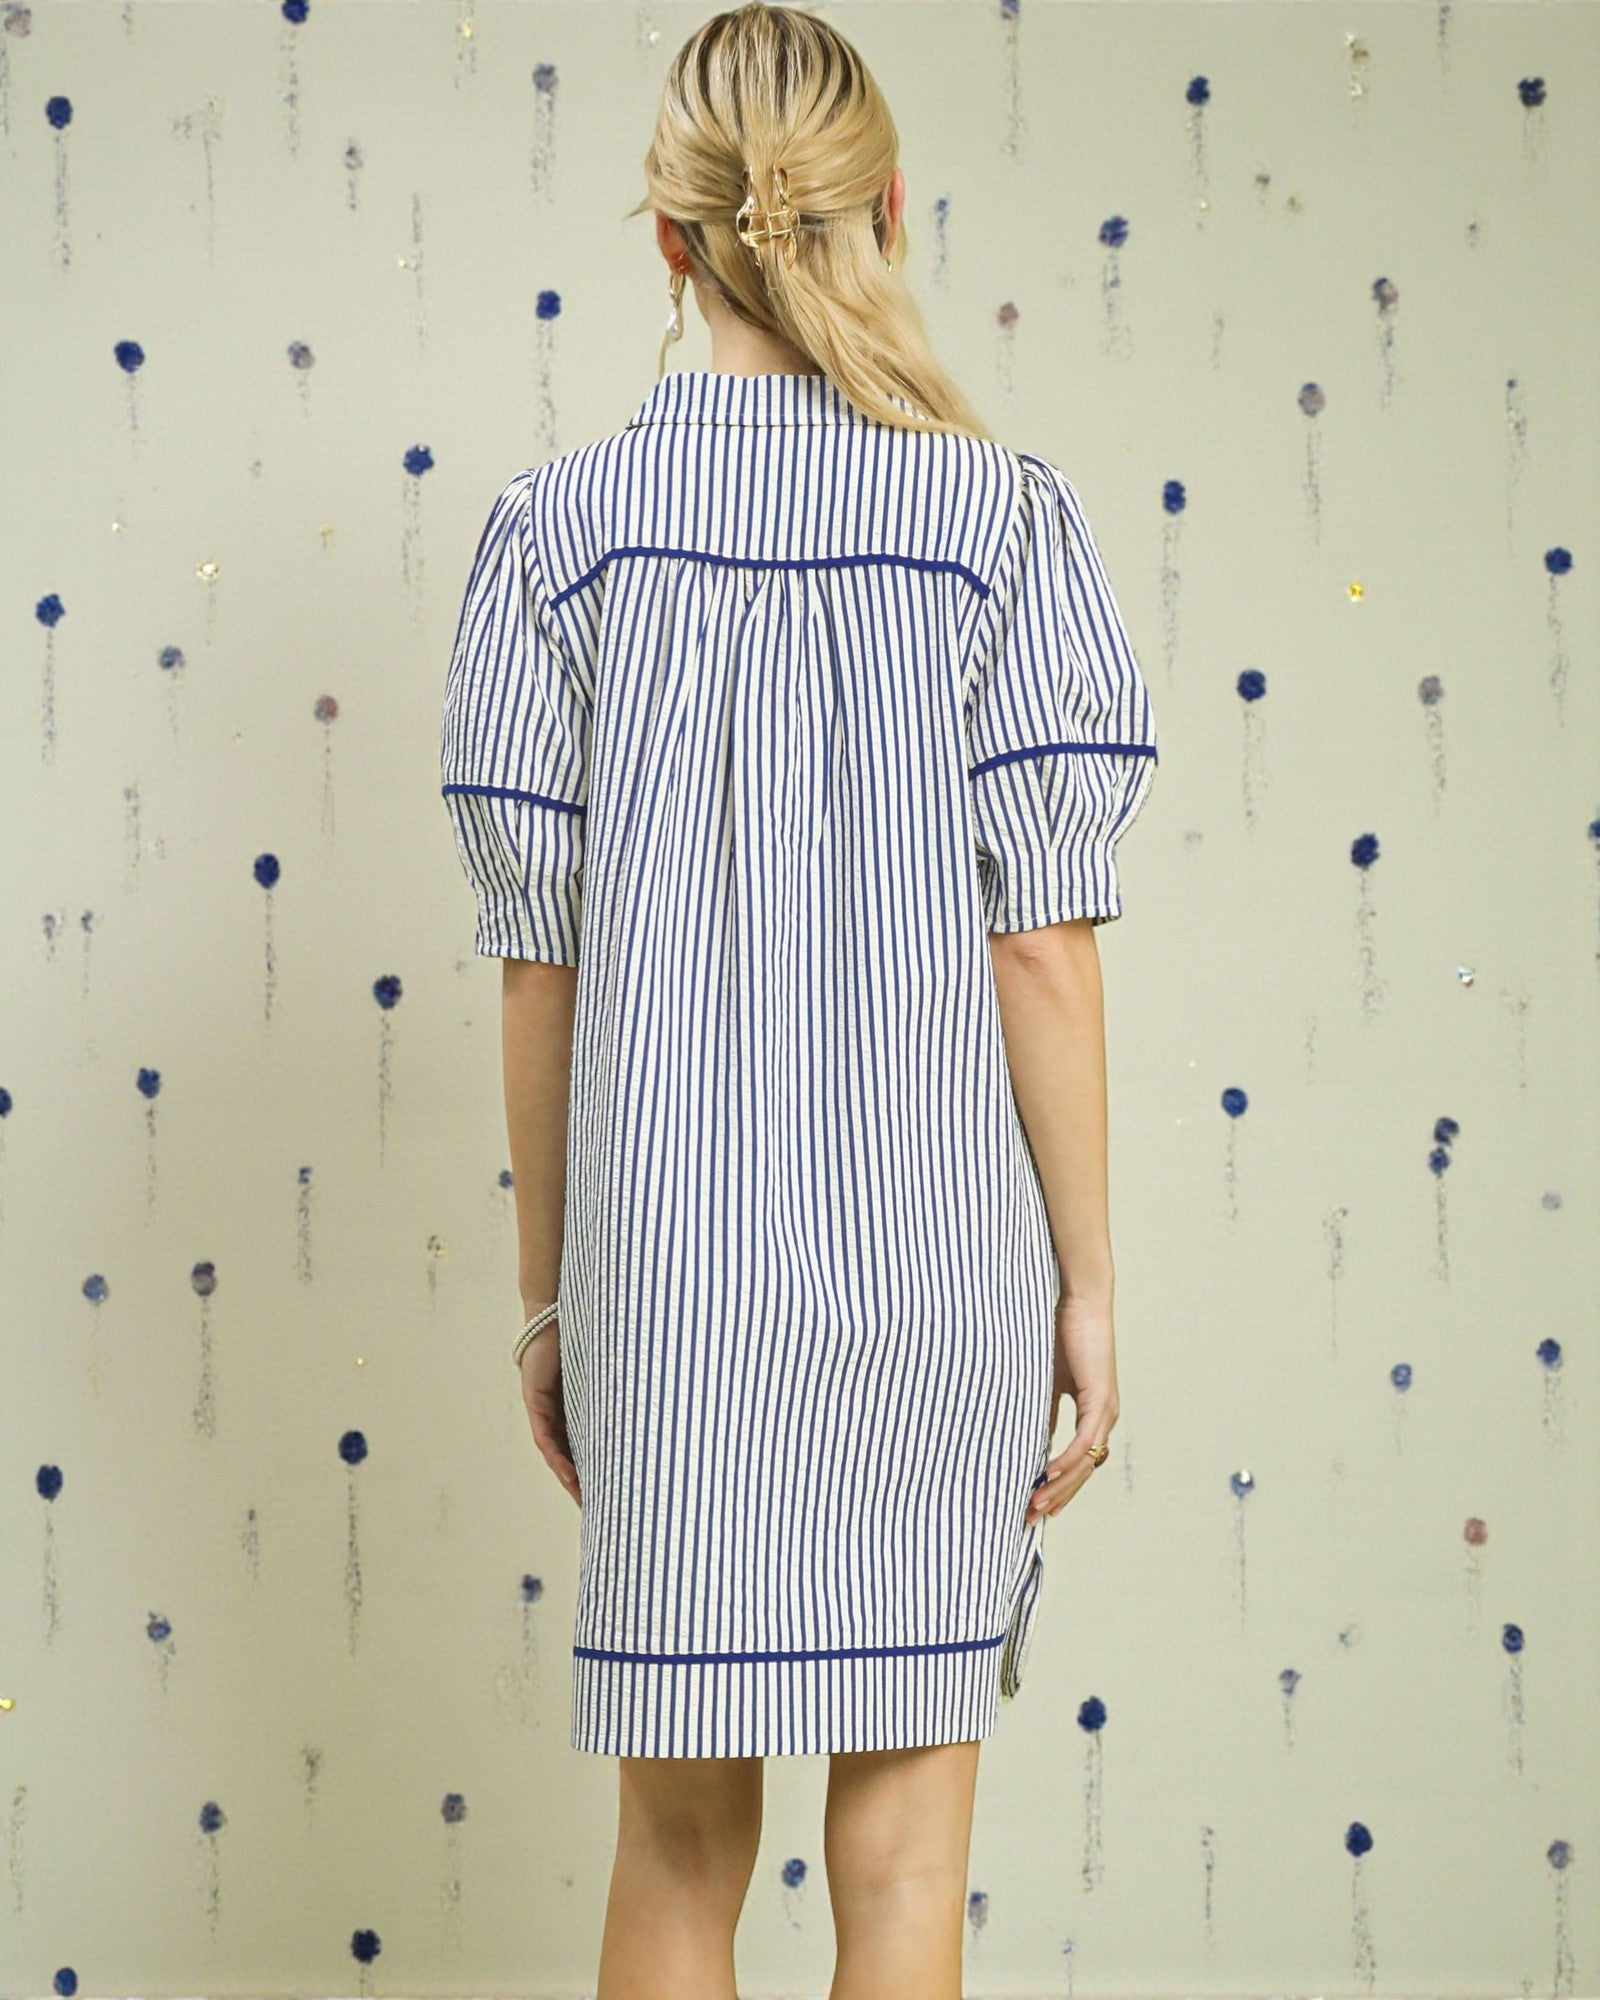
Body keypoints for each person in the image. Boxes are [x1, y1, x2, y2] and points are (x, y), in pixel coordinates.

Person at [438, 7, 1159, 1995]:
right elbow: (1041, 946)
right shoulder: (998, 521)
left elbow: (540, 961)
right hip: (939, 1278)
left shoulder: (557, 538)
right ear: (887, 210)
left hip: (670, 1280)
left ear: (669, 239)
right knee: (906, 1872)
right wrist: (1088, 1284)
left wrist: (551, 1294)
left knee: (676, 1855)